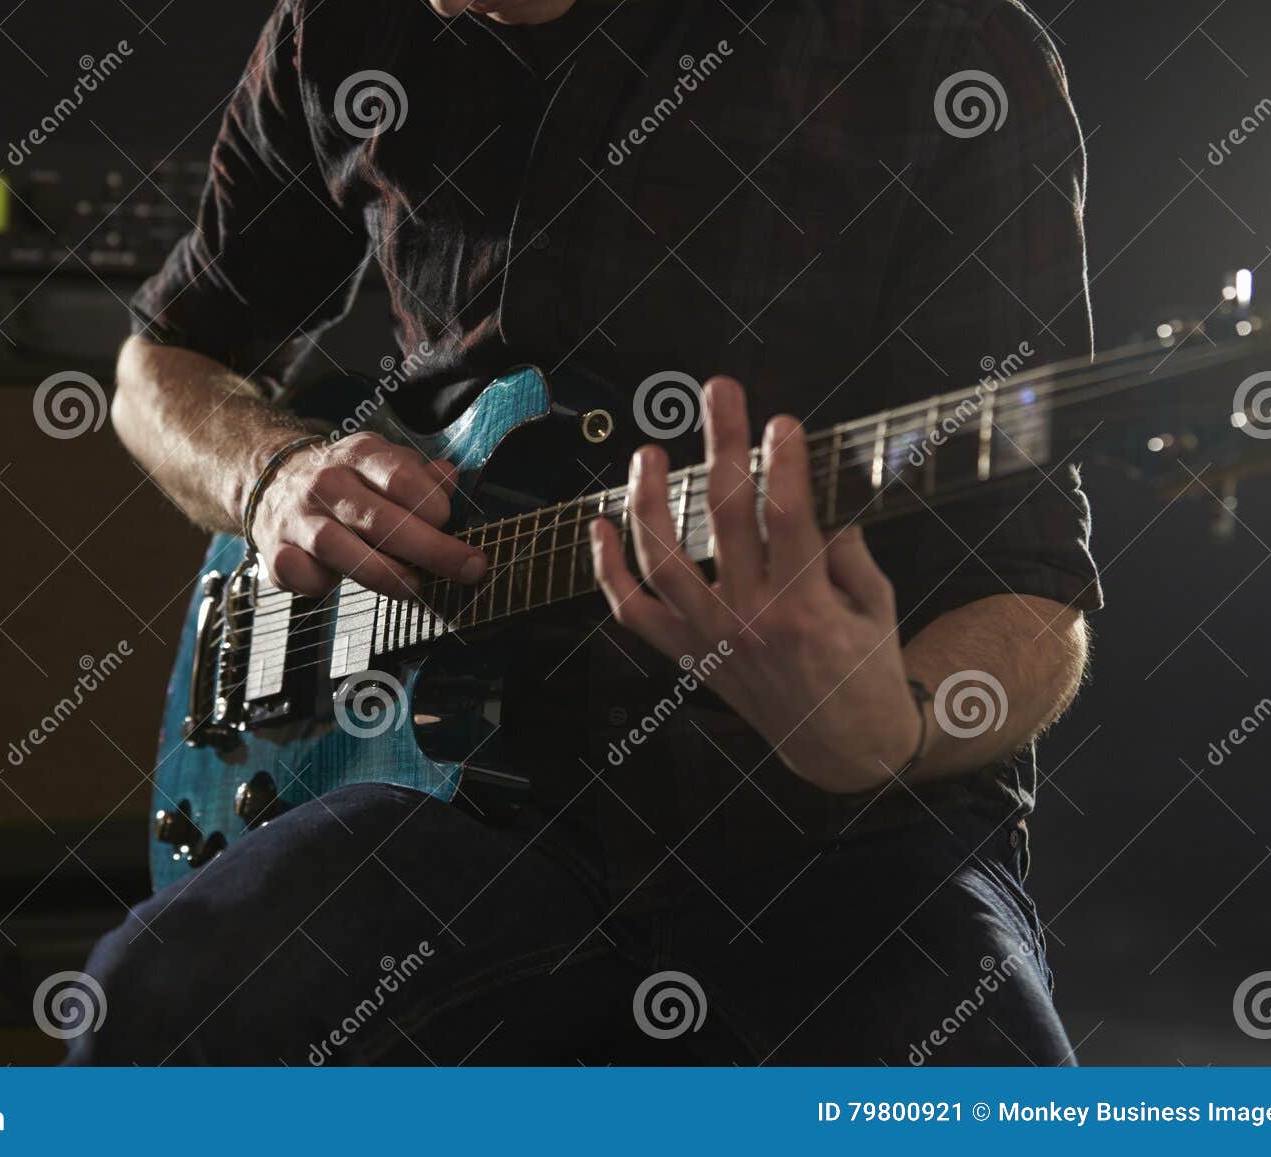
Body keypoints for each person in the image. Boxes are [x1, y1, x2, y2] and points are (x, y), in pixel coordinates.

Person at [69, 0, 1100, 1065]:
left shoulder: (939, 46)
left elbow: (1033, 584)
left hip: (829, 819)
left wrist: (901, 728)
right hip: (447, 791)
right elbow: (158, 368)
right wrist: (271, 474)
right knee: (144, 1025)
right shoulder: (339, 29)